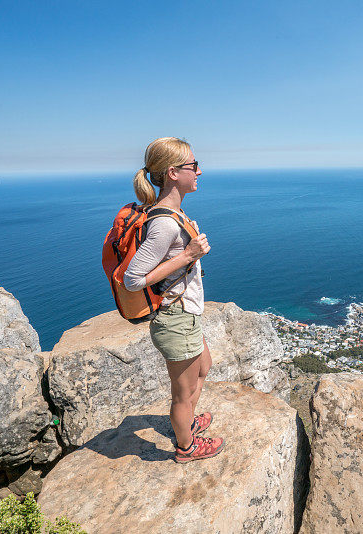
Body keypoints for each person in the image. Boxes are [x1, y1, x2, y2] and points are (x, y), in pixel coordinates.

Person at [123, 137, 224, 463]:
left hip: (187, 314)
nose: (199, 171)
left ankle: (187, 424)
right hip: (175, 317)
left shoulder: (173, 212)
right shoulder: (165, 223)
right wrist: (189, 255)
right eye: (193, 166)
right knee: (182, 394)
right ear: (173, 173)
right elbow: (133, 279)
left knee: (204, 367)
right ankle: (186, 447)